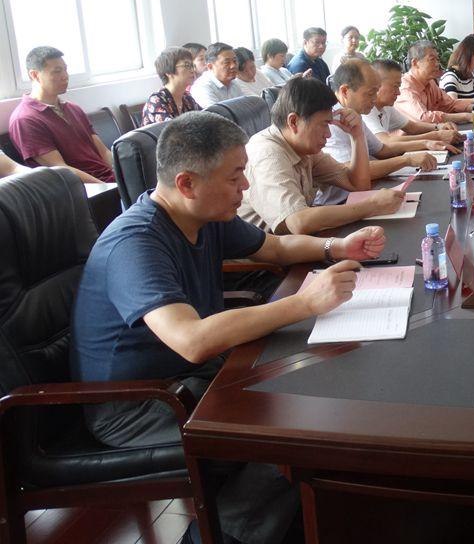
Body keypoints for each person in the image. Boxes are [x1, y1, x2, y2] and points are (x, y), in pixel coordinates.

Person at [71, 110, 386, 544]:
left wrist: (336, 246)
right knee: (290, 438)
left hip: (188, 378)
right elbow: (191, 339)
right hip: (139, 406)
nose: (246, 187)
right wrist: (303, 303)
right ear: (187, 183)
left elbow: (274, 247)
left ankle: (295, 522)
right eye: (236, 176)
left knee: (312, 391)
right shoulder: (136, 243)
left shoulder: (202, 215)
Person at [237, 77, 405, 235]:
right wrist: (373, 205)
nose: (328, 134)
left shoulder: (305, 149)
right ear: (293, 122)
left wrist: (357, 135)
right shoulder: (267, 154)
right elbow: (298, 222)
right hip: (265, 254)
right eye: (324, 125)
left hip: (296, 244)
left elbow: (358, 184)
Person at [8, 46, 115, 183]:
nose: (65, 76)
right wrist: (109, 187)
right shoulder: (25, 120)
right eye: (57, 71)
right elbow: (61, 170)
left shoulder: (73, 109)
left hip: (111, 179)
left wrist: (126, 173)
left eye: (65, 69)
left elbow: (103, 152)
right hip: (87, 189)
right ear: (34, 75)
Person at [324, 59, 444, 180]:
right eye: (370, 93)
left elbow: (381, 150)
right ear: (345, 91)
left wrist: (425, 144)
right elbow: (353, 172)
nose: (375, 98)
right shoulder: (331, 121)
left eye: (376, 92)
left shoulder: (353, 113)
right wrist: (407, 160)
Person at [364, 59, 465, 151]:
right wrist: (435, 136)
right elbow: (385, 141)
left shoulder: (386, 107)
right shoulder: (366, 109)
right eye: (395, 86)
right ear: (377, 83)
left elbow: (412, 127)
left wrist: (438, 127)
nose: (398, 92)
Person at [395, 41, 474, 125]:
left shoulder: (430, 83)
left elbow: (450, 104)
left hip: (431, 135)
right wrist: (466, 116)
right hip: (408, 141)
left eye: (437, 59)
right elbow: (423, 118)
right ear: (415, 63)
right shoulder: (405, 87)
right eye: (432, 59)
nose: (437, 64)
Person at [141, 47, 201, 126]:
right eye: (187, 65)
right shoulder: (156, 101)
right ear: (168, 72)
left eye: (192, 66)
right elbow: (172, 131)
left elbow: (204, 119)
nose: (193, 70)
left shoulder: (187, 98)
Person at [191, 43, 247, 108]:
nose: (233, 66)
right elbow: (215, 113)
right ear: (210, 66)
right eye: (227, 62)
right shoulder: (202, 87)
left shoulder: (234, 83)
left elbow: (245, 108)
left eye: (235, 61)